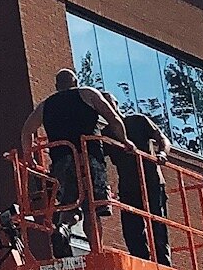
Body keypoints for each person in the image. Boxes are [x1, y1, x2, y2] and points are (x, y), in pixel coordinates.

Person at [21, 70, 127, 237]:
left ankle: (63, 228)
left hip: (62, 161)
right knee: (92, 208)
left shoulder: (45, 105)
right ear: (76, 82)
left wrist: (30, 158)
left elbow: (27, 131)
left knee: (69, 203)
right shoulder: (87, 93)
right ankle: (95, 248)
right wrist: (126, 141)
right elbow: (112, 117)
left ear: (57, 86)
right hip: (89, 157)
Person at [111, 110, 172, 264]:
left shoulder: (138, 121)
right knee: (131, 228)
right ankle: (141, 261)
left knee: (157, 222)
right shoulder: (107, 132)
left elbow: (163, 139)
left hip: (151, 180)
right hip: (128, 186)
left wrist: (163, 154)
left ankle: (163, 263)